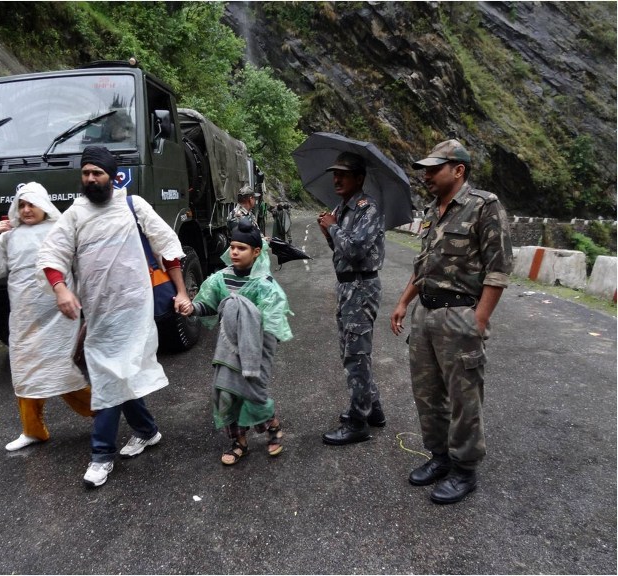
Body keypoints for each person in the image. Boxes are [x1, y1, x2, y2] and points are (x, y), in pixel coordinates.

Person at [36, 146, 192, 488]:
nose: (90, 179)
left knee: (108, 380)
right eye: (86, 173)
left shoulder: (134, 207)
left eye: (97, 173)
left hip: (134, 310)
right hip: (98, 313)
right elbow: (51, 254)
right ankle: (147, 430)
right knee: (118, 375)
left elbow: (169, 246)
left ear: (111, 176)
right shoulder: (75, 214)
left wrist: (181, 292)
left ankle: (101, 456)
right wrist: (61, 289)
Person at [390, 139, 513, 504]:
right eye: (424, 169)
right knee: (427, 394)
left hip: (459, 315)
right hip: (425, 314)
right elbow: (424, 266)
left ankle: (464, 469)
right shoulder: (432, 210)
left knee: (464, 398)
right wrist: (402, 302)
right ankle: (440, 457)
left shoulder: (483, 207)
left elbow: (499, 269)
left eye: (434, 169)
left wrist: (478, 320)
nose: (426, 175)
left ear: (458, 170)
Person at [0, 182, 93, 452]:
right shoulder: (8, 236)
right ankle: (33, 430)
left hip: (59, 313)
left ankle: (102, 413)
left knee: (60, 369)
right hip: (24, 316)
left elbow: (80, 267)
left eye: (31, 204)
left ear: (44, 206)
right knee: (25, 371)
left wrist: (84, 301)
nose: (26, 210)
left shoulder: (61, 230)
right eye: (21, 205)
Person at [179, 220, 293, 465]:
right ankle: (239, 442)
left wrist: (261, 353)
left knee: (254, 393)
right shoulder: (221, 279)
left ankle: (272, 425)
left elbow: (273, 323)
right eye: (232, 247)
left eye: (241, 248)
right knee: (228, 393)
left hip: (256, 349)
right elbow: (207, 305)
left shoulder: (265, 285)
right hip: (229, 348)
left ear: (256, 252)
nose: (234, 252)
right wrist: (191, 308)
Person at [317, 151, 387, 446]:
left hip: (361, 287)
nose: (336, 178)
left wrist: (332, 225)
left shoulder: (367, 208)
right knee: (350, 349)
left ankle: (359, 422)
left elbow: (356, 250)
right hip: (346, 287)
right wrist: (328, 229)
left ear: (358, 178)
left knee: (356, 355)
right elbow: (339, 248)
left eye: (343, 174)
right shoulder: (342, 208)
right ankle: (374, 409)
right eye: (334, 173)